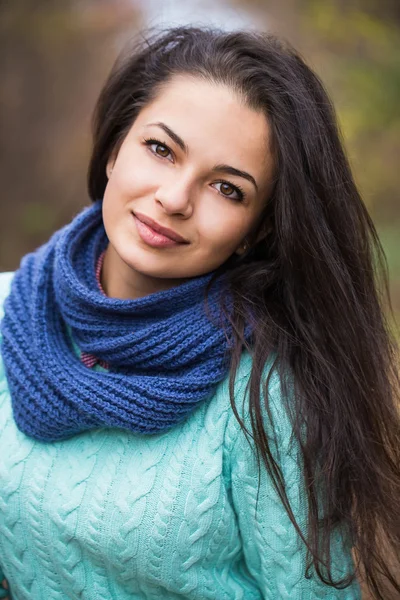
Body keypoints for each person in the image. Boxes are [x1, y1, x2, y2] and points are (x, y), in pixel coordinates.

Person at [0, 25, 399, 600]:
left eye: (227, 189)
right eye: (161, 150)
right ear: (115, 149)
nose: (175, 198)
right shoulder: (7, 310)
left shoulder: (263, 395)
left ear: (254, 231)